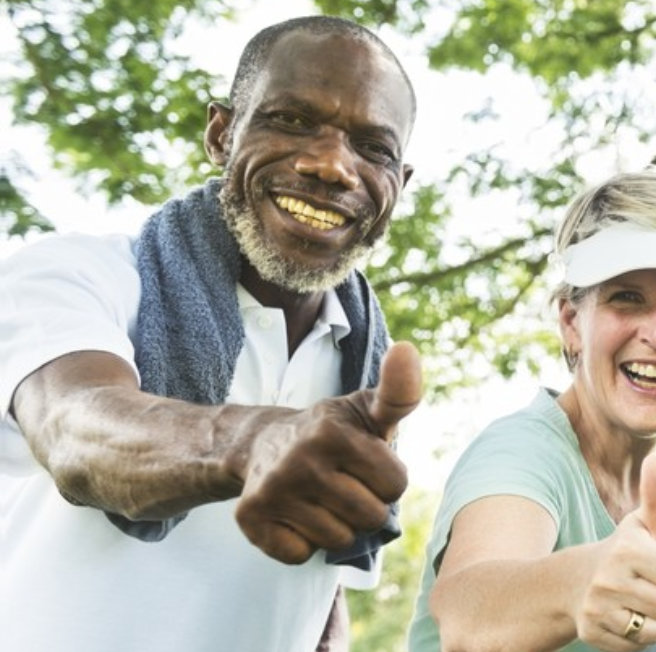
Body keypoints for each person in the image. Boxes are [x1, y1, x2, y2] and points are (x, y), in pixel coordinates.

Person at [0, 15, 419, 651]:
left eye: (373, 148)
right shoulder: (77, 274)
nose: (332, 165)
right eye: (293, 119)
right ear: (222, 135)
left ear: (399, 185)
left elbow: (318, 580)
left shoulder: (368, 362)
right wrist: (247, 440)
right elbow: (73, 428)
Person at [408, 170, 656, 652]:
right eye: (627, 298)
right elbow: (470, 616)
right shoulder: (521, 454)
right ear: (572, 322)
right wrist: (575, 585)